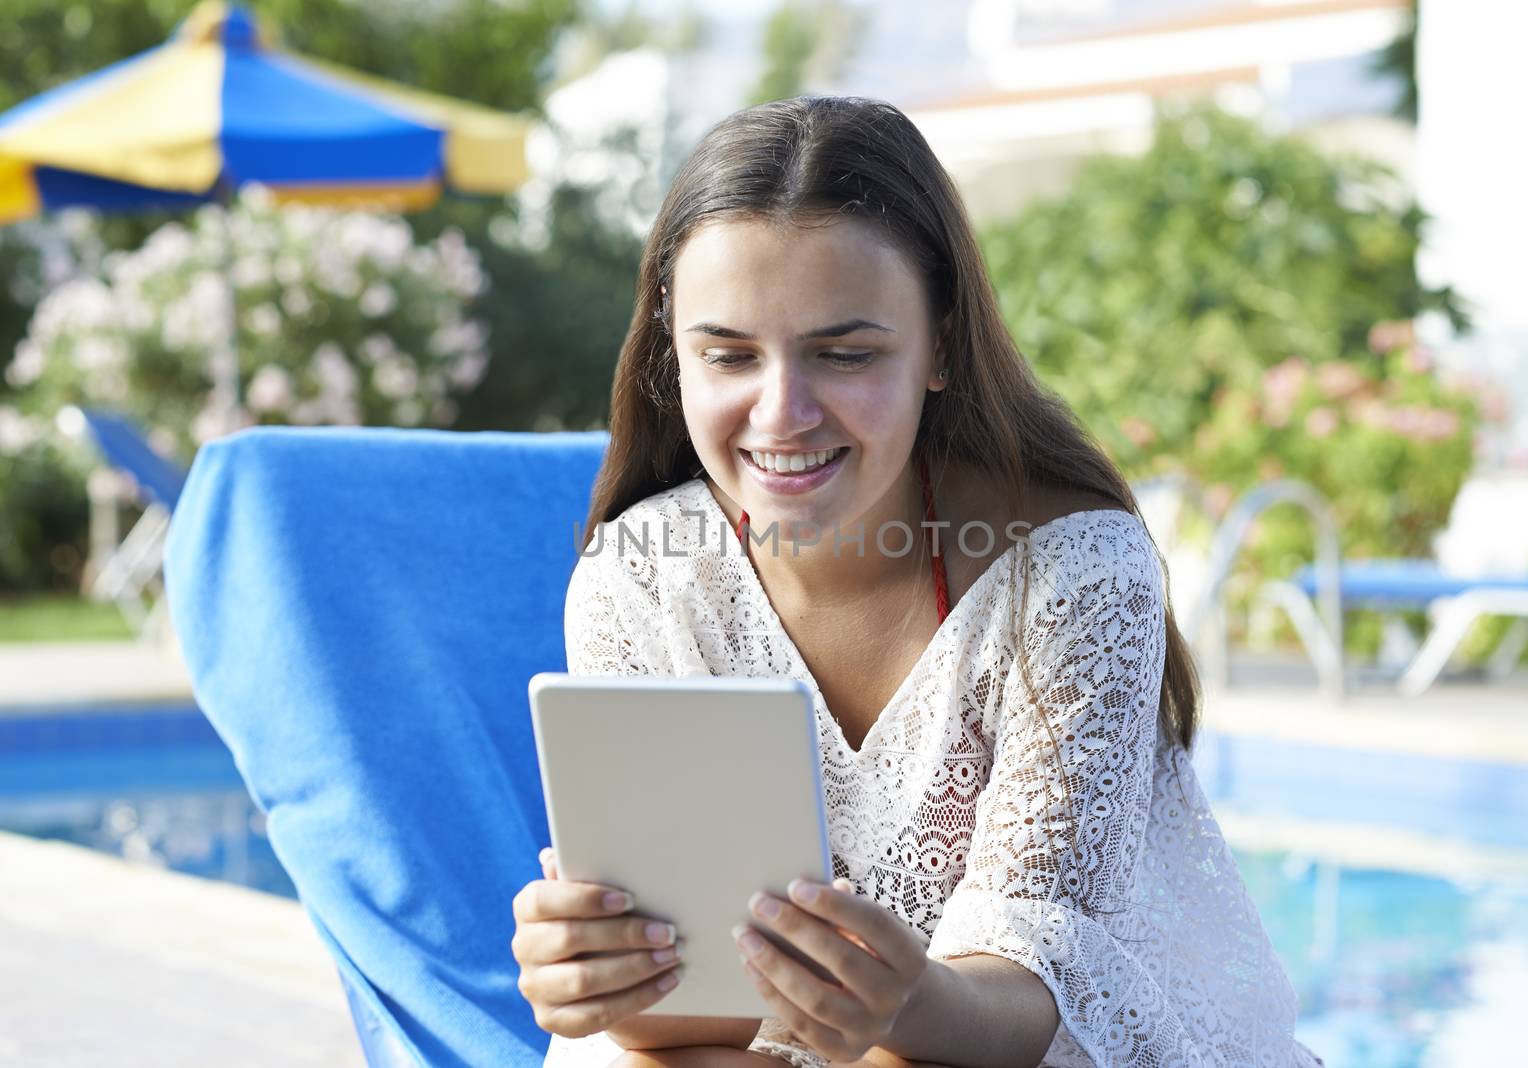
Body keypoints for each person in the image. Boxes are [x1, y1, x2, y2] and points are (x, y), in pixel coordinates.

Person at [510, 96, 1323, 1068]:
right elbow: (682, 1021)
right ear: (669, 354)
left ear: (941, 344)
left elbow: (1032, 1000)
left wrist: (902, 1005)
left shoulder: (1068, 573)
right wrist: (602, 982)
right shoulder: (642, 579)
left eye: (845, 354)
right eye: (726, 355)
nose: (782, 414)